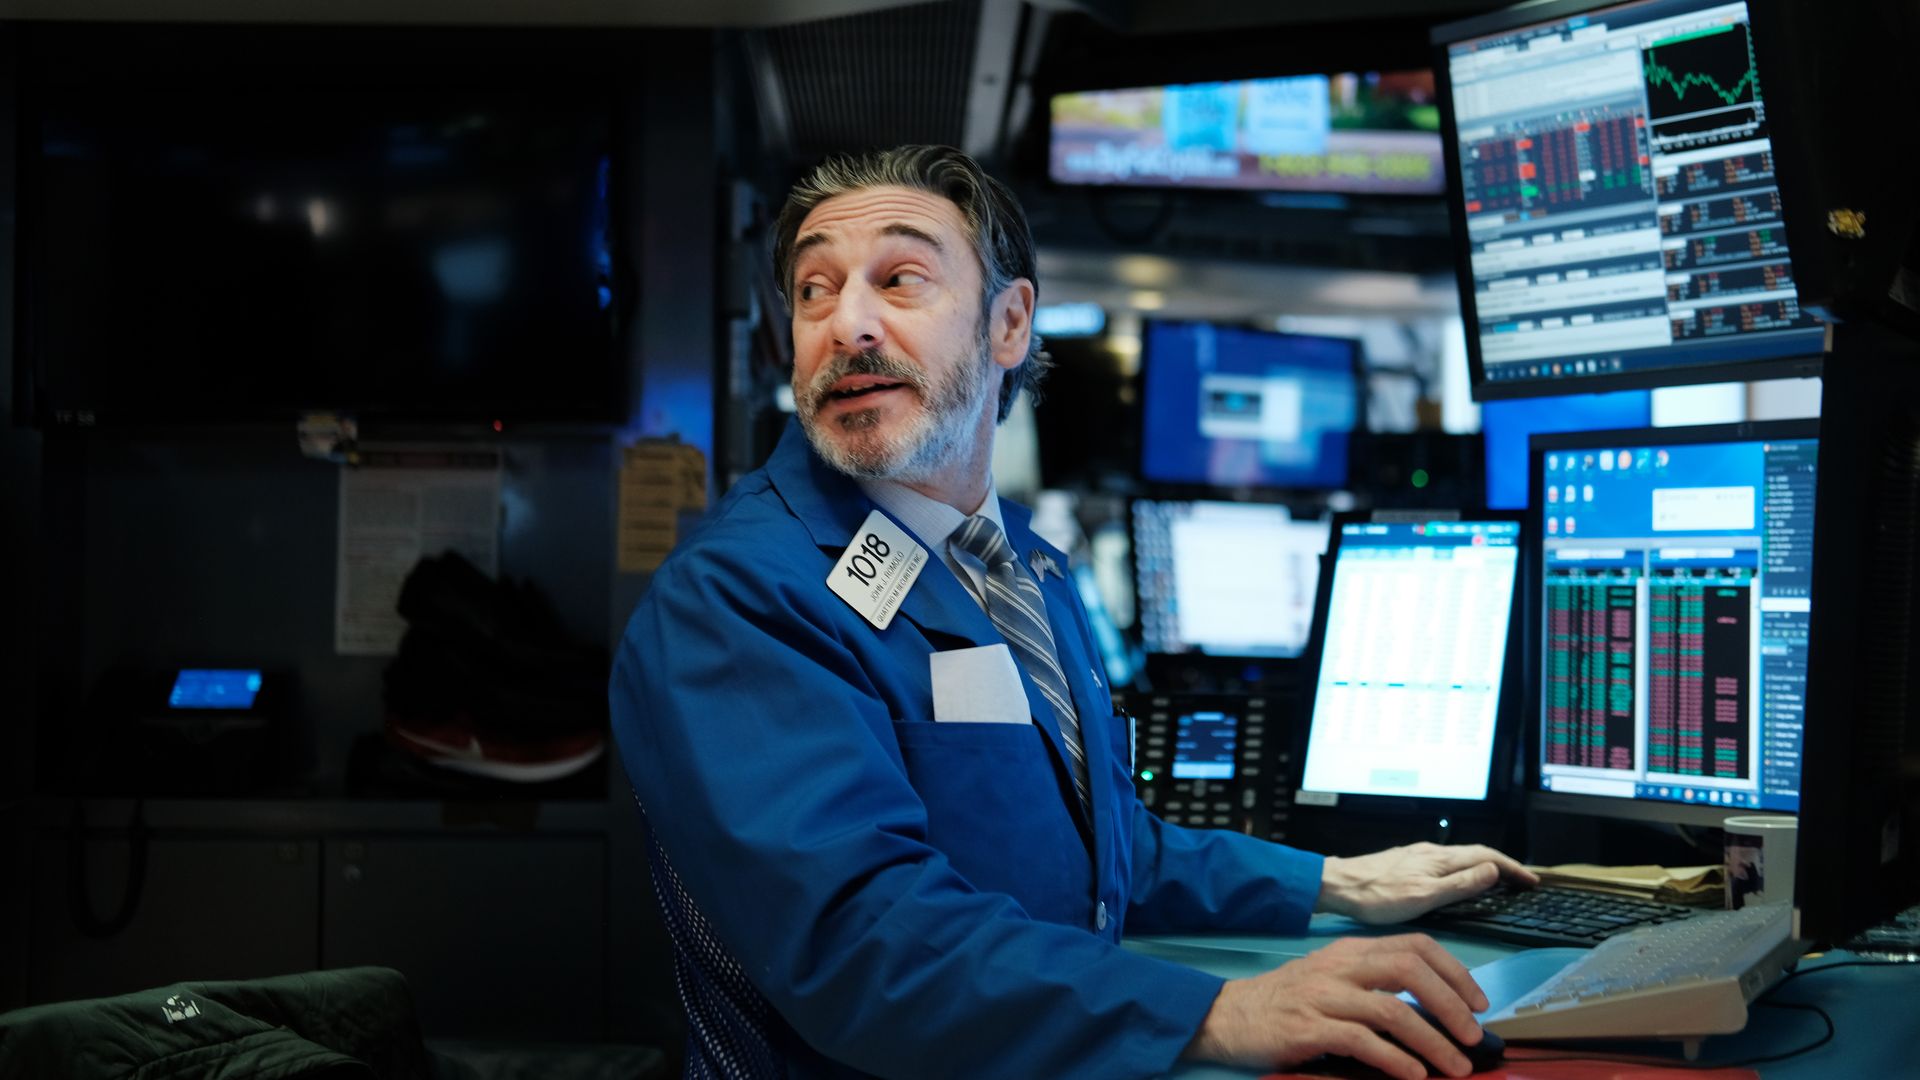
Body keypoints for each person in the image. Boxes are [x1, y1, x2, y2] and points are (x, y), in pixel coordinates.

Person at [612, 144, 1539, 1080]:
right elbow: (864, 942)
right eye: (814, 291)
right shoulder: (738, 598)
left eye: (899, 280)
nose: (847, 322)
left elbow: (1097, 844)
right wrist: (1220, 1008)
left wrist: (1335, 883)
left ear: (1009, 323)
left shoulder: (1020, 563)